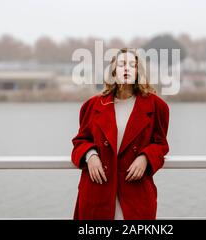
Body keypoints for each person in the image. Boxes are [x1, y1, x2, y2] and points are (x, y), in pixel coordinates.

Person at [71, 47, 170, 220]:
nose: (126, 68)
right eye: (122, 64)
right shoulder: (93, 105)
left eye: (132, 65)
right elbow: (81, 141)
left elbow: (161, 144)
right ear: (113, 71)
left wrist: (145, 157)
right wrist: (90, 155)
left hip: (136, 193)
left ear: (138, 72)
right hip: (97, 192)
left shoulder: (157, 107)